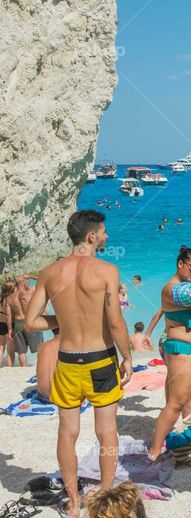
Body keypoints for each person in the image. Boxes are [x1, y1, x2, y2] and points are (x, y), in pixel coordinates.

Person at [22, 210, 133, 516]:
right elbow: (115, 321)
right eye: (104, 232)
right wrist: (128, 358)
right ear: (90, 236)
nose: (107, 236)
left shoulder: (50, 271)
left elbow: (30, 322)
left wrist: (65, 319)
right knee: (107, 432)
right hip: (100, 360)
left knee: (67, 432)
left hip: (68, 362)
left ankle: (72, 503)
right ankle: (106, 499)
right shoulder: (107, 270)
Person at [148, 246, 191, 461]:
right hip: (182, 348)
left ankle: (189, 440)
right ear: (180, 264)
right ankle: (154, 450)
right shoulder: (171, 289)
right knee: (176, 402)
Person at [11, 276, 43, 367]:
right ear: (24, 283)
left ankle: (24, 369)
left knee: (21, 351)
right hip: (29, 320)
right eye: (27, 282)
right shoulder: (29, 293)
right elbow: (42, 279)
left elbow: (10, 315)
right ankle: (40, 366)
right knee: (40, 347)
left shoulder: (11, 296)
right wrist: (30, 276)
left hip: (18, 322)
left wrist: (10, 328)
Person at [0, 280, 13, 367]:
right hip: (7, 324)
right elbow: (8, 315)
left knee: (1, 347)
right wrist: (10, 329)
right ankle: (9, 369)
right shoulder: (9, 299)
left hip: (0, 323)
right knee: (9, 350)